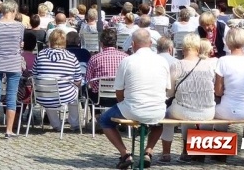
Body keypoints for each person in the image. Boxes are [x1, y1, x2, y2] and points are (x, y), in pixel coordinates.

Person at [100, 29, 170, 169]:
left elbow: (119, 91)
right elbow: (166, 88)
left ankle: (125, 154)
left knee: (103, 120)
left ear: (132, 44)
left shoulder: (127, 61)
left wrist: (123, 104)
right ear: (150, 43)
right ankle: (148, 151)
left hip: (132, 108)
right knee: (160, 121)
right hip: (157, 109)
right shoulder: (162, 61)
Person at [159, 33, 216, 163]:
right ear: (198, 48)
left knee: (167, 116)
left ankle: (166, 154)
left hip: (184, 110)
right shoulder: (209, 65)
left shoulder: (178, 65)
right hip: (207, 111)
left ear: (184, 48)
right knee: (188, 113)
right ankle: (188, 151)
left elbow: (170, 92)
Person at [213, 26, 244, 163]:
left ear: (227, 42)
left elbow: (218, 91)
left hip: (228, 110)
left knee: (215, 113)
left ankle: (221, 151)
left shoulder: (223, 61)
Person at [0, 0, 24, 138]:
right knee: (11, 96)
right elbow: (21, 44)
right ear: (14, 11)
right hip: (13, 62)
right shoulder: (20, 26)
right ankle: (8, 131)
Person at [32, 29, 82, 131]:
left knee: (48, 88)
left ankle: (56, 125)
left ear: (50, 40)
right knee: (74, 93)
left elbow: (34, 75)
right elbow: (78, 79)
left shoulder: (40, 55)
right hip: (65, 94)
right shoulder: (71, 57)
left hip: (43, 94)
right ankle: (74, 123)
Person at [84, 29, 128, 104]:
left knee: (86, 91)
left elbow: (88, 79)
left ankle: (97, 114)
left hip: (100, 98)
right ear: (115, 42)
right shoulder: (126, 57)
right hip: (121, 96)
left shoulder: (95, 58)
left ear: (101, 43)